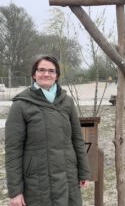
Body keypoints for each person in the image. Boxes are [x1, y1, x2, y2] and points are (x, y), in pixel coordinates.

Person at [5, 55, 90, 206]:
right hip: (37, 181)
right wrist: (15, 190)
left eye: (51, 71)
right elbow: (13, 150)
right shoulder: (21, 105)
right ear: (34, 74)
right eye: (41, 70)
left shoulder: (67, 102)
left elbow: (77, 139)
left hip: (67, 177)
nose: (46, 74)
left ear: (56, 75)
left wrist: (83, 172)